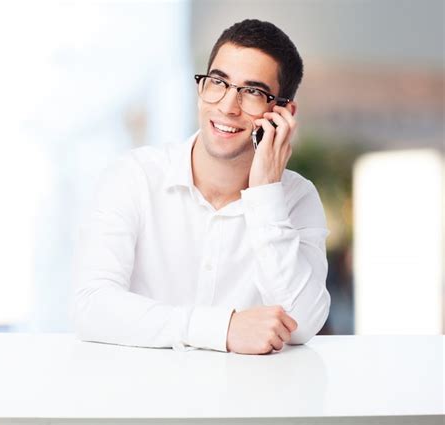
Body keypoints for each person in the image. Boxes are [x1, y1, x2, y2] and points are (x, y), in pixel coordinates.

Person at [71, 19, 330, 355]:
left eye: (252, 92)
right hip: (139, 399)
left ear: (282, 112)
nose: (227, 106)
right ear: (201, 87)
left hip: (244, 404)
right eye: (218, 82)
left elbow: (303, 323)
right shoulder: (133, 177)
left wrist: (266, 194)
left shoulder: (296, 198)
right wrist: (222, 328)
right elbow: (90, 306)